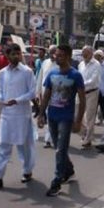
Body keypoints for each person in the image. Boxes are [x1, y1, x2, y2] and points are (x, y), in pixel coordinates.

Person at [0, 44, 36, 191]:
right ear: (6, 55)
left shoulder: (27, 72)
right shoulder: (3, 73)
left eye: (18, 53)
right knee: (2, 146)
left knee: (24, 146)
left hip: (22, 115)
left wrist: (16, 100)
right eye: (13, 54)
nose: (16, 56)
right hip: (6, 115)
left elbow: (32, 93)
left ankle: (27, 170)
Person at [37, 44, 85, 197]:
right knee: (59, 147)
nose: (56, 57)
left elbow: (82, 100)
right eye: (56, 55)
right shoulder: (51, 73)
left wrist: (78, 121)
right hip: (52, 116)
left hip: (66, 117)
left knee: (60, 149)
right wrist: (41, 114)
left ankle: (57, 181)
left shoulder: (76, 75)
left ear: (68, 57)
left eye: (60, 55)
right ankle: (69, 170)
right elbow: (46, 95)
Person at [78, 46, 101, 149]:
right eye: (83, 53)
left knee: (90, 117)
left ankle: (88, 139)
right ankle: (84, 133)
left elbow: (93, 80)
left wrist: (81, 85)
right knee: (77, 114)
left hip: (92, 92)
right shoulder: (81, 64)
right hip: (80, 93)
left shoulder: (96, 64)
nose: (84, 55)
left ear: (91, 53)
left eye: (86, 52)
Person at [36, 45, 58, 148]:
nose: (52, 54)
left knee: (55, 117)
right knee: (48, 116)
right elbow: (40, 78)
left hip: (57, 95)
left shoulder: (60, 64)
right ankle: (48, 139)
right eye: (50, 52)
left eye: (54, 51)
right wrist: (38, 92)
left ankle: (54, 138)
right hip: (45, 95)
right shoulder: (45, 63)